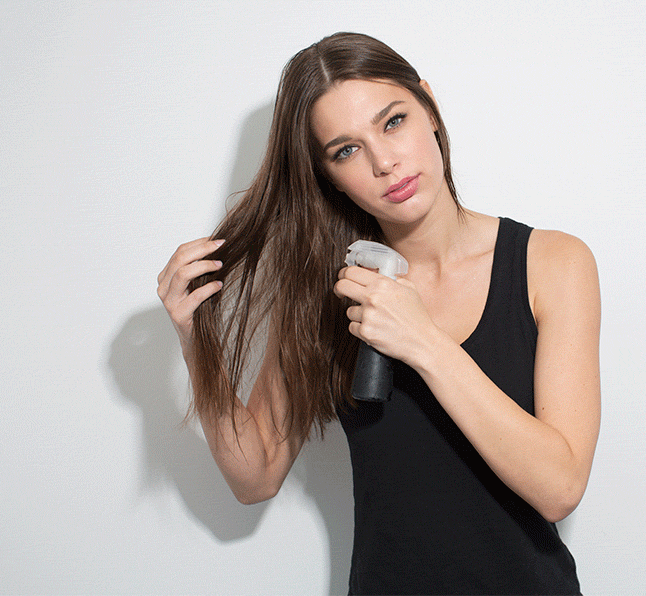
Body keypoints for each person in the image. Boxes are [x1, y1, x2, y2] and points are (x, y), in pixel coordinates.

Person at [157, 32, 600, 595]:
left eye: (393, 122)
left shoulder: (552, 263)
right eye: (346, 150)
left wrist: (423, 341)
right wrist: (195, 340)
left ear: (429, 107)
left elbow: (561, 486)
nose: (385, 162)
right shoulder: (331, 291)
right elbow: (255, 477)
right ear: (327, 175)